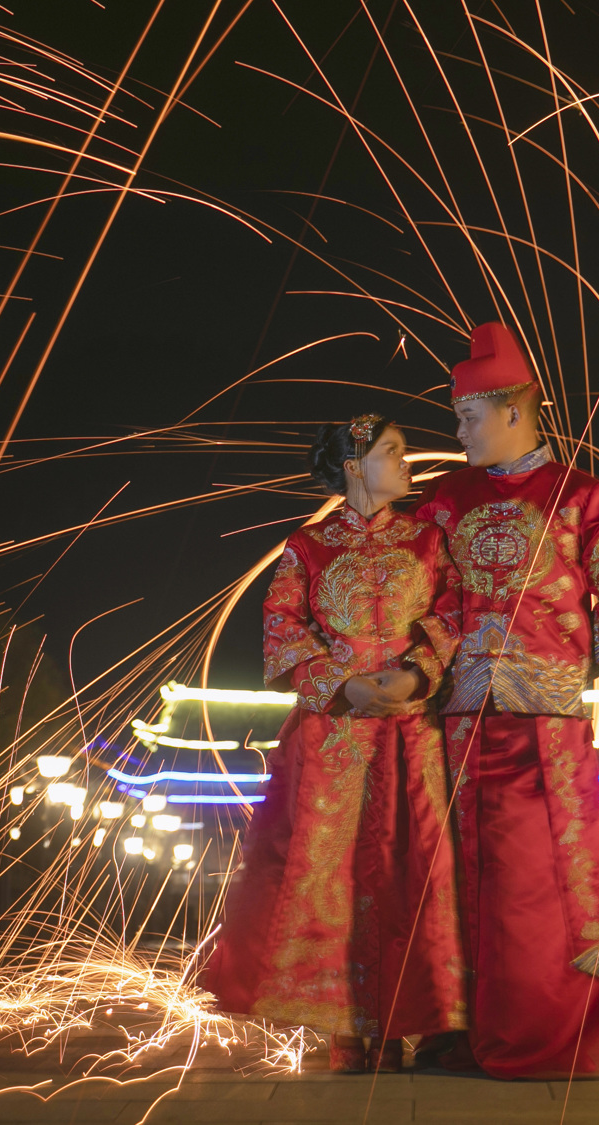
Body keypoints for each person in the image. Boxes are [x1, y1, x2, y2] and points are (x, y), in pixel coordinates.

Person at [413, 322, 599, 1079]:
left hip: (543, 724)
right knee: (452, 876)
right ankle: (456, 1028)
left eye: (467, 417)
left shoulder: (582, 495)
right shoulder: (443, 501)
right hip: (453, 719)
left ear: (512, 409)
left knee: (534, 880)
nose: (457, 433)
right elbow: (414, 596)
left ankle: (540, 1035)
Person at [198, 414, 468, 1073]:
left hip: (412, 733)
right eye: (394, 452)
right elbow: (282, 627)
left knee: (418, 871)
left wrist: (414, 673)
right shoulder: (308, 546)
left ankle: (425, 1019)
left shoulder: (430, 541)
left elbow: (455, 612)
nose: (409, 464)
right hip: (333, 740)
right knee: (333, 879)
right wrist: (341, 685)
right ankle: (347, 1030)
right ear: (353, 465)